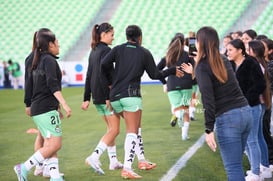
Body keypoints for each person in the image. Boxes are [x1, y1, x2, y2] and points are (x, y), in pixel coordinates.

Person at [101, 25, 183, 179]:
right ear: (140, 37)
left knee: (136, 128)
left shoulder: (117, 49)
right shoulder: (144, 52)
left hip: (115, 97)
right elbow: (155, 74)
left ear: (126, 36)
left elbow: (103, 64)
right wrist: (172, 70)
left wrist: (112, 80)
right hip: (131, 96)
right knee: (132, 132)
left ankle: (142, 161)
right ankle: (127, 168)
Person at [183, 26, 252, 181]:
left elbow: (208, 99)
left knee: (233, 167)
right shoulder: (223, 59)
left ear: (200, 43)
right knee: (237, 164)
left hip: (229, 117)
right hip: (245, 112)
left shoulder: (203, 65)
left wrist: (208, 129)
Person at [14, 28, 71, 181]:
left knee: (49, 141)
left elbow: (29, 84)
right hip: (45, 107)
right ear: (50, 44)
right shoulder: (49, 60)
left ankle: (53, 175)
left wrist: (28, 104)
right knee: (55, 144)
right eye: (57, 42)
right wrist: (64, 104)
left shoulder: (32, 58)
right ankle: (24, 167)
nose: (59, 44)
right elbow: (52, 85)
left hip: (38, 107)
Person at [82, 23, 123, 175]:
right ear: (104, 34)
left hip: (97, 96)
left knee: (110, 129)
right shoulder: (106, 50)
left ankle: (113, 161)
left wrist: (86, 98)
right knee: (115, 129)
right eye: (112, 34)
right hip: (105, 96)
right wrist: (108, 97)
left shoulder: (93, 51)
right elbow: (107, 76)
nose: (113, 37)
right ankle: (94, 156)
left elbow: (89, 75)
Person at [226, 38, 265, 181]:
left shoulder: (251, 63)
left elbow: (261, 84)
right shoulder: (229, 64)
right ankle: (254, 168)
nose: (227, 52)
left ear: (240, 50)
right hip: (237, 108)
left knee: (252, 140)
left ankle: (256, 172)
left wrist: (247, 100)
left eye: (230, 50)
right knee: (244, 140)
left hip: (252, 107)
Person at [157, 32, 194, 140]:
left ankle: (177, 115)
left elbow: (156, 71)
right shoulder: (188, 55)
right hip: (187, 83)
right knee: (185, 109)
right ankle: (184, 135)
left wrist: (164, 83)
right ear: (184, 43)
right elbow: (196, 60)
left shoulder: (168, 56)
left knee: (177, 108)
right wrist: (192, 40)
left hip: (172, 85)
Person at [248, 40, 272, 179]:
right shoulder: (261, 64)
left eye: (248, 48)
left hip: (257, 103)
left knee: (253, 139)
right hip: (262, 102)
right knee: (258, 136)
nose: (246, 50)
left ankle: (256, 171)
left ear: (254, 51)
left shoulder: (256, 65)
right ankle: (264, 166)